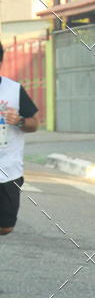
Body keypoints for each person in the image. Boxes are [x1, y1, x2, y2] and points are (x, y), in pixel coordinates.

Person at [0, 41, 39, 236]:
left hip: (8, 168)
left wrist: (20, 120)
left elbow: (34, 124)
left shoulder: (14, 90)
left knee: (6, 227)